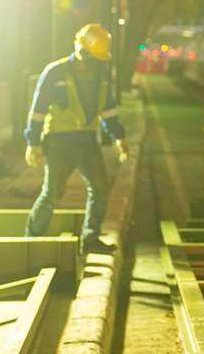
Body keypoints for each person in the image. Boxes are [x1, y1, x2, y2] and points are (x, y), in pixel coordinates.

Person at [24, 23, 130, 253]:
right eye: (95, 57)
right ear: (82, 51)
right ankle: (30, 241)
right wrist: (33, 143)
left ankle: (90, 239)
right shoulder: (55, 72)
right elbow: (38, 110)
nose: (98, 63)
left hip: (88, 141)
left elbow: (109, 110)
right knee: (52, 194)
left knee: (101, 189)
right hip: (60, 142)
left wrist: (119, 137)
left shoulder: (101, 76)